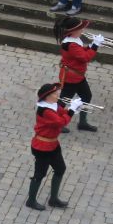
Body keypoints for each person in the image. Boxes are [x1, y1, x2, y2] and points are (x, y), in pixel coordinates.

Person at [25, 82, 70, 211]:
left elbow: (62, 112)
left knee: (60, 169)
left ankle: (53, 199)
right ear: (48, 97)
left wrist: (72, 108)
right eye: (55, 94)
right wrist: (71, 112)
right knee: (39, 174)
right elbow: (61, 122)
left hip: (53, 144)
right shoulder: (45, 111)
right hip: (42, 147)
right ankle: (31, 200)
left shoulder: (53, 105)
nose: (58, 95)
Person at [55, 16, 100, 131]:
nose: (82, 30)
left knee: (86, 96)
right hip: (71, 78)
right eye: (80, 29)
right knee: (64, 100)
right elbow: (85, 57)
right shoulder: (71, 44)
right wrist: (95, 46)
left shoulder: (74, 41)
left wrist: (91, 46)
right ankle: (57, 123)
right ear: (73, 31)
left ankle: (83, 123)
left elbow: (81, 51)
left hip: (77, 76)